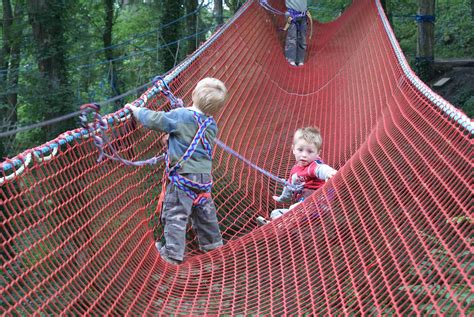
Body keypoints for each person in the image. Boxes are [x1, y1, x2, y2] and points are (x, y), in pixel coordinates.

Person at [128, 78, 228, 265]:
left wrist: (136, 111)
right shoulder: (211, 124)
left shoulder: (181, 116)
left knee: (175, 213)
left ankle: (173, 253)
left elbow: (155, 120)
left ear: (192, 95)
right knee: (204, 211)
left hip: (183, 177)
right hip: (203, 179)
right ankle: (213, 244)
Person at [257, 126, 337, 225]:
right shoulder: (295, 170)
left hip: (319, 203)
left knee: (294, 208)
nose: (304, 155)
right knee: (275, 213)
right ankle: (275, 225)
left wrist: (329, 173)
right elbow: (289, 187)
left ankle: (281, 225)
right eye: (300, 150)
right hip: (304, 207)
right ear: (293, 149)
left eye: (310, 151)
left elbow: (321, 169)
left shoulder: (313, 165)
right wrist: (281, 198)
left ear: (317, 154)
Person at [284, 0, 310, 66]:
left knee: (302, 37)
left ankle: (300, 60)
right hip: (292, 14)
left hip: (303, 15)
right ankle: (291, 59)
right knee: (292, 37)